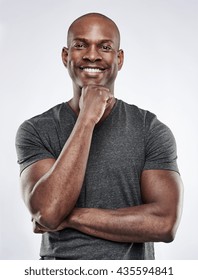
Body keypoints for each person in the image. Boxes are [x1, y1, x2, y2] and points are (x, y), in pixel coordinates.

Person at [15, 12, 183, 260]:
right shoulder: (36, 130)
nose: (92, 55)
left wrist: (70, 217)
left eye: (104, 47)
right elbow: (48, 213)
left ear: (119, 58)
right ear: (65, 56)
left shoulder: (150, 129)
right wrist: (86, 119)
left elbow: (165, 223)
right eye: (80, 45)